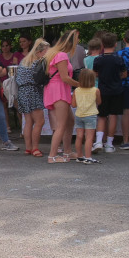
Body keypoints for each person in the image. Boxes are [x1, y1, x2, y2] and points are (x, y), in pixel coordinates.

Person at [44, 30, 81, 163]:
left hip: (55, 90)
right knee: (61, 125)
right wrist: (80, 85)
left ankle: (67, 151)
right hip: (59, 90)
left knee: (69, 121)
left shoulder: (53, 54)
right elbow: (65, 77)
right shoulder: (62, 56)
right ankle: (52, 156)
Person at [93, 32, 127, 153]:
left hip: (102, 90)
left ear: (102, 44)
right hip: (117, 90)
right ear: (115, 44)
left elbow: (95, 74)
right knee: (113, 116)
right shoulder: (119, 58)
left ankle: (98, 141)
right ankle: (109, 143)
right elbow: (124, 74)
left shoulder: (98, 59)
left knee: (101, 116)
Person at [16, 39, 50, 157]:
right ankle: (35, 148)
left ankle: (28, 148)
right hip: (33, 91)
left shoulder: (24, 61)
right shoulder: (39, 62)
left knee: (28, 121)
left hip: (22, 91)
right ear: (41, 51)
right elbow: (42, 79)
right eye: (47, 51)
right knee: (39, 121)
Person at [72, 69, 101, 164]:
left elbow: (73, 105)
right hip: (91, 115)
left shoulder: (76, 90)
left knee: (79, 136)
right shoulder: (95, 90)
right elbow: (99, 102)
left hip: (79, 115)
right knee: (89, 138)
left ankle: (79, 156)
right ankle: (88, 157)